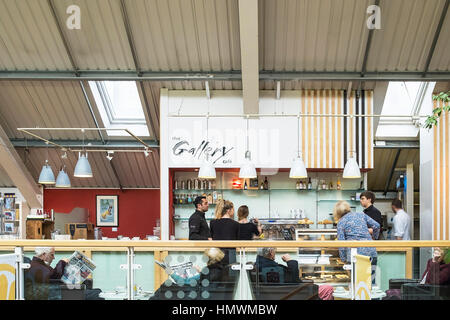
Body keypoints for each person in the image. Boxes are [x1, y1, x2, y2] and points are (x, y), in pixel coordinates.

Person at [334, 200, 380, 285]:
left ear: (337, 212)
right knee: (371, 283)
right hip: (371, 252)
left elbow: (341, 243)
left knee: (358, 284)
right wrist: (374, 238)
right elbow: (376, 226)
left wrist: (343, 260)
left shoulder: (341, 222)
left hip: (356, 255)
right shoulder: (361, 214)